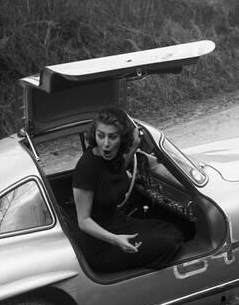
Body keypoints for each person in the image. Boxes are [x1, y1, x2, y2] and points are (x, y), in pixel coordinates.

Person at [72, 107, 183, 272]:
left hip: (119, 224)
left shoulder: (113, 156)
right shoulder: (86, 168)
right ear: (94, 135)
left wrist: (133, 148)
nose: (106, 143)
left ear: (121, 138)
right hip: (100, 245)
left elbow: (116, 171)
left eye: (112, 136)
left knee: (174, 230)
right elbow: (84, 221)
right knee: (168, 242)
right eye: (101, 135)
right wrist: (116, 240)